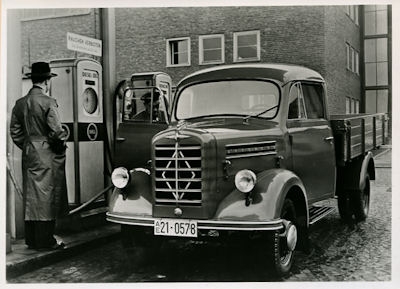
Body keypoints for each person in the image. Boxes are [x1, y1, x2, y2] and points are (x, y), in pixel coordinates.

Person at [10, 62, 68, 250]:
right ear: (46, 81)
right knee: (47, 194)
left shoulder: (20, 103)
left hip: (30, 151)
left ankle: (32, 240)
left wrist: (28, 145)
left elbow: (15, 131)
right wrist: (58, 147)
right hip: (46, 152)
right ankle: (46, 240)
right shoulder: (48, 102)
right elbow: (57, 132)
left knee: (32, 195)